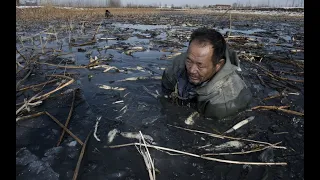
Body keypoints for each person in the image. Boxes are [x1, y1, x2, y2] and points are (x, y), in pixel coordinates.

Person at [161, 27, 252, 120]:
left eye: (200, 65)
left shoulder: (221, 104)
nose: (192, 70)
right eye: (189, 61)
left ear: (218, 65)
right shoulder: (178, 65)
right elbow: (166, 91)